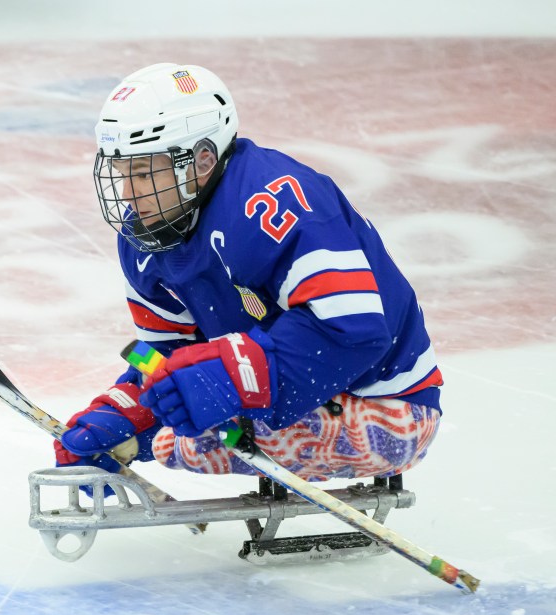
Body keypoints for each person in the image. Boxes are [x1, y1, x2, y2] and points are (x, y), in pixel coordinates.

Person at [54, 63, 442, 483]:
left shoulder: (276, 203)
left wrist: (229, 379)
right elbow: (172, 357)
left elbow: (354, 331)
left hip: (390, 409)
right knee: (174, 428)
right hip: (294, 394)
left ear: (202, 160)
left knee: (181, 443)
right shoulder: (144, 235)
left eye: (144, 173)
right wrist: (130, 411)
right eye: (121, 172)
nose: (128, 194)